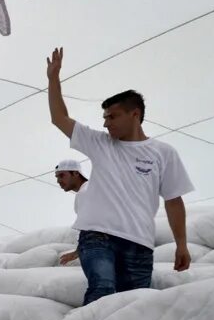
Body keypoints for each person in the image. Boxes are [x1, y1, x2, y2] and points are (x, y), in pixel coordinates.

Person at [46, 47, 193, 305]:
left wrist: (181, 244)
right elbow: (59, 118)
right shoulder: (99, 143)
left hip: (140, 244)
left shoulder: (163, 153)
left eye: (112, 117)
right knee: (102, 291)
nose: (105, 123)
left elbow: (173, 200)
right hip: (98, 237)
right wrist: (53, 80)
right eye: (104, 117)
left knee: (133, 305)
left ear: (134, 115)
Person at [54, 160, 88, 265]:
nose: (58, 181)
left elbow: (89, 225)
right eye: (57, 177)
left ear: (76, 173)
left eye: (62, 175)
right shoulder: (89, 188)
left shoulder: (85, 191)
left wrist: (78, 251)